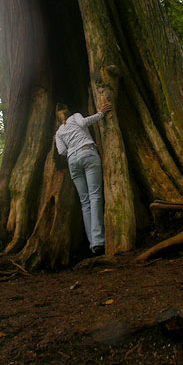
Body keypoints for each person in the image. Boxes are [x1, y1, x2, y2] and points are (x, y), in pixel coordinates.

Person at [55, 103, 112, 255]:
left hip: (72, 161)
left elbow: (61, 151)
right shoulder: (76, 116)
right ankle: (99, 240)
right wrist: (100, 114)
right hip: (87, 153)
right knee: (95, 197)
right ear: (69, 112)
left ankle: (94, 243)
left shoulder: (59, 131)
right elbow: (84, 123)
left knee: (85, 202)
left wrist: (73, 149)